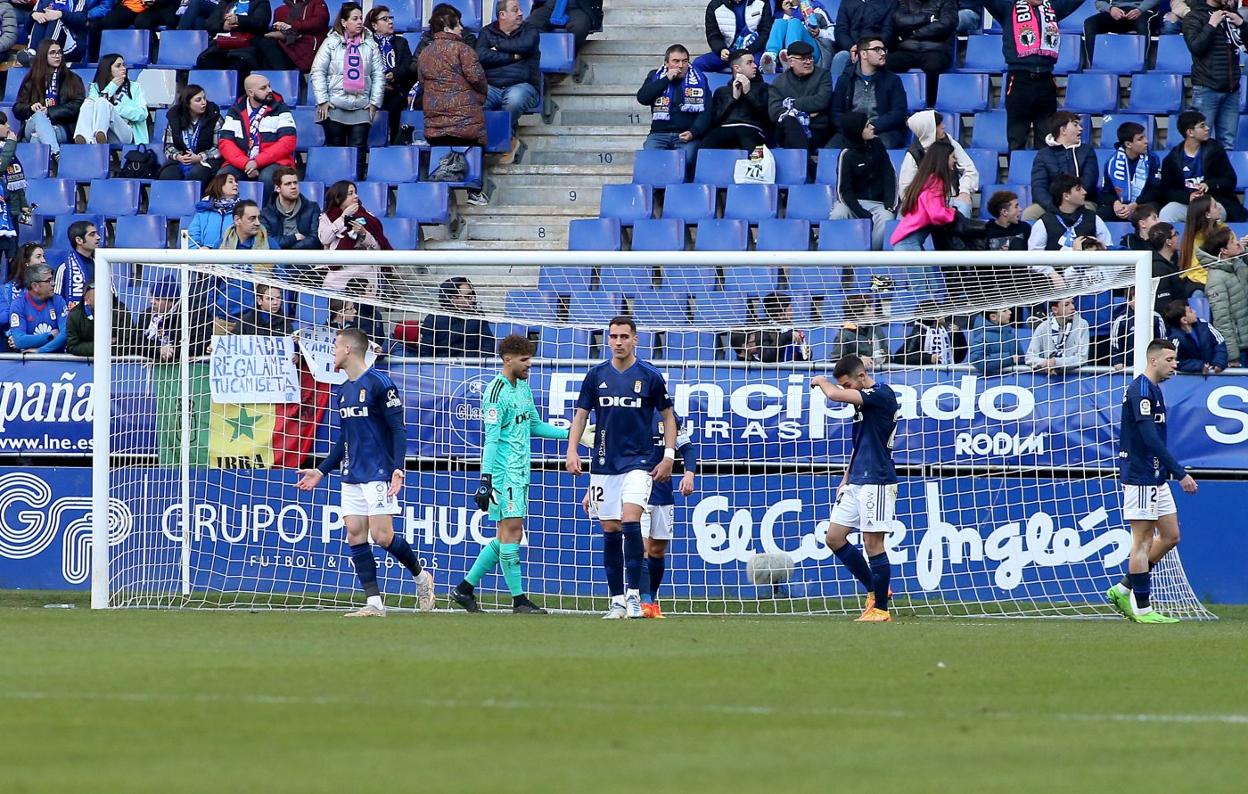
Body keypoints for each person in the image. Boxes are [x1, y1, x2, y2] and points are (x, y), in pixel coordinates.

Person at [296, 327, 435, 617]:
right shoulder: (343, 390)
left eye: (335, 346)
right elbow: (344, 439)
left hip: (379, 471)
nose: (332, 352)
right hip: (351, 474)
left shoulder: (380, 384)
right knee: (355, 534)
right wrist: (321, 471)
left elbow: (398, 429)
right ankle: (374, 603)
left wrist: (398, 468)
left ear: (348, 349)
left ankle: (422, 577)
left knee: (383, 536)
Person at [451, 334, 570, 615]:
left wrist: (573, 436)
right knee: (512, 534)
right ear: (508, 360)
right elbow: (491, 440)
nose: (530, 365)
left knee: (505, 535)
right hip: (503, 476)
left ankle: (464, 589)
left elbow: (535, 426)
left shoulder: (523, 389)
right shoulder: (495, 392)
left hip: (521, 473)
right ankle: (519, 601)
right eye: (525, 360)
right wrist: (485, 479)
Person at [566, 316, 676, 620]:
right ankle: (616, 599)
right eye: (613, 336)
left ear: (635, 339)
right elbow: (580, 416)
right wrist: (572, 450)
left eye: (624, 336)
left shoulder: (650, 376)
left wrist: (668, 456)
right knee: (610, 529)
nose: (618, 342)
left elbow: (668, 417)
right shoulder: (596, 375)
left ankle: (633, 595)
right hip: (603, 465)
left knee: (631, 521)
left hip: (640, 464)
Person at [1106, 339, 1198, 623]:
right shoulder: (1140, 391)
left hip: (1156, 475)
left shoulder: (1154, 390)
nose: (1175, 365)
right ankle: (1143, 609)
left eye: (1175, 360)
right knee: (1143, 540)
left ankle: (1123, 587)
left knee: (1170, 536)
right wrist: (1180, 473)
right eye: (1170, 359)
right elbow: (1149, 439)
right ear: (1153, 360)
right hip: (1141, 476)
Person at [810, 354, 899, 622]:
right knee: (834, 537)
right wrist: (846, 476)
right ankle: (875, 590)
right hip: (857, 479)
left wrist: (821, 381)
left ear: (860, 378)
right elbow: (861, 442)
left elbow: (835, 396)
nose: (845, 389)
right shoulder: (864, 401)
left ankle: (881, 610)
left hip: (878, 480)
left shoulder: (882, 394)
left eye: (847, 384)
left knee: (873, 544)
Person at [983, 0, 1085, 150]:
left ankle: (1042, 173)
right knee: (1017, 137)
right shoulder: (1008, 8)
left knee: (1046, 138)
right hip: (1019, 79)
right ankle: (1015, 172)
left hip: (1046, 80)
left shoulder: (1052, 8)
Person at [418, 2, 488, 205]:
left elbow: (422, 81)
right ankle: (474, 192)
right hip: (465, 124)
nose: (462, 28)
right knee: (472, 144)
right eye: (458, 24)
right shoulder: (463, 50)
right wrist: (480, 97)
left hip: (435, 128)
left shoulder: (425, 53)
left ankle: (437, 197)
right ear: (447, 28)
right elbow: (478, 78)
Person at [311, 3, 384, 180]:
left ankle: (355, 188)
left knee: (358, 151)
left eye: (361, 18)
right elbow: (317, 71)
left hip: (361, 107)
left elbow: (378, 75)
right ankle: (336, 191)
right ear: (344, 22)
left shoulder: (371, 44)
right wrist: (323, 100)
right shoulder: (331, 43)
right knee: (336, 151)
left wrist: (374, 103)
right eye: (355, 18)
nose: (360, 22)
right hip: (334, 107)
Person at [636, 415, 696, 618]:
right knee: (640, 549)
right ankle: (643, 600)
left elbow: (687, 448)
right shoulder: (633, 410)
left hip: (663, 492)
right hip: (636, 491)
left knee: (658, 550)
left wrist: (689, 474)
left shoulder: (671, 417)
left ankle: (651, 599)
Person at [477, 0, 541, 164]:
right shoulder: (486, 32)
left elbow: (525, 46)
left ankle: (499, 142)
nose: (521, 13)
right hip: (491, 87)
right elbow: (481, 56)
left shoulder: (530, 30)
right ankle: (510, 140)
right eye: (515, 10)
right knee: (472, 104)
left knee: (513, 100)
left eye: (520, 9)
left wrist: (496, 46)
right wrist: (512, 57)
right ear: (502, 15)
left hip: (522, 86)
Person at [1159, 110, 1247, 224]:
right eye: (1202, 126)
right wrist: (1188, 197)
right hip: (1188, 204)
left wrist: (1209, 185)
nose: (1207, 128)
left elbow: (1230, 180)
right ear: (1190, 132)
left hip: (1214, 202)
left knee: (1213, 215)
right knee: (1167, 213)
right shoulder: (1172, 159)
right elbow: (1168, 190)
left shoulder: (1215, 150)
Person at [1183, 0, 1246, 151]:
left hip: (1232, 90)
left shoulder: (1231, 15)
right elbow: (1196, 47)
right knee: (1200, 143)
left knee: (1227, 144)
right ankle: (1201, 175)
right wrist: (1211, 25)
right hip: (1206, 89)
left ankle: (1223, 175)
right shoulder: (1194, 16)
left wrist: (1243, 25)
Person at [829, 112, 896, 251]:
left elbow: (889, 175)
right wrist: (862, 213)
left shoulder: (878, 144)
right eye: (867, 126)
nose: (872, 127)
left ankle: (870, 258)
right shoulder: (846, 154)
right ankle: (840, 258)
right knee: (838, 214)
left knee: (887, 218)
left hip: (878, 204)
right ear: (857, 131)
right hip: (855, 203)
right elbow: (843, 191)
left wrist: (890, 204)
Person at [828, 36, 908, 149]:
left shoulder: (893, 80)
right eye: (877, 50)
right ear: (863, 54)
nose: (883, 53)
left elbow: (898, 113)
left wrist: (871, 128)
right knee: (831, 149)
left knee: (880, 147)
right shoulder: (845, 79)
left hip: (882, 130)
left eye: (884, 49)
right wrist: (855, 130)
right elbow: (836, 113)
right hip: (852, 131)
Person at [218, 74, 299, 187]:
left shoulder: (281, 108)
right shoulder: (236, 110)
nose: (269, 90)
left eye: (269, 86)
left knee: (267, 177)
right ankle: (227, 205)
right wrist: (246, 163)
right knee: (223, 177)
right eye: (263, 88)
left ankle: (266, 205)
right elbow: (225, 143)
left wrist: (257, 162)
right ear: (251, 93)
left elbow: (287, 142)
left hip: (275, 162)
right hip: (243, 163)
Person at [637, 44, 708, 166]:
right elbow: (643, 98)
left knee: (685, 160)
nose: (681, 66)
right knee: (650, 159)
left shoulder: (699, 79)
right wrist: (666, 79)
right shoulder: (655, 76)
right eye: (676, 61)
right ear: (666, 63)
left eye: (684, 61)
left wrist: (694, 132)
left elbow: (706, 110)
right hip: (659, 134)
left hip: (686, 134)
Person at [896, 110, 976, 217]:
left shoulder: (950, 142)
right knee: (903, 214)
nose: (943, 126)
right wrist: (927, 203)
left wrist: (964, 191)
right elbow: (905, 191)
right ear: (928, 130)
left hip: (951, 198)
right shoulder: (913, 154)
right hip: (924, 203)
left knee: (963, 206)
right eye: (938, 125)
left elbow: (969, 169)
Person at [14, 39, 85, 154]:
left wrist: (50, 111)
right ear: (43, 55)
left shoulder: (72, 79)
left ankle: (41, 168)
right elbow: (17, 109)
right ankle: (56, 154)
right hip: (32, 124)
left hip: (61, 127)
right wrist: (30, 107)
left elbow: (77, 106)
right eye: (52, 53)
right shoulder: (31, 79)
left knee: (36, 138)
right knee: (39, 116)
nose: (57, 56)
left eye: (59, 52)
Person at [690, 50, 770, 149]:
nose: (755, 66)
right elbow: (714, 120)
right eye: (749, 63)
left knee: (748, 140)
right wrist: (732, 99)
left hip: (752, 129)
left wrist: (749, 93)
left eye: (753, 62)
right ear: (737, 68)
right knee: (707, 144)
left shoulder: (763, 88)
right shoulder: (721, 91)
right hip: (724, 128)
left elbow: (767, 119)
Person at [1027, 111, 1098, 221]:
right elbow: (1038, 187)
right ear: (1063, 130)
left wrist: (1071, 201)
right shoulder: (1043, 155)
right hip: (1052, 203)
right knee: (1029, 214)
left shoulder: (1087, 151)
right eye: (1075, 125)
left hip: (1081, 201)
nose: (1080, 129)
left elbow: (1089, 181)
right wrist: (1054, 206)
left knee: (1088, 211)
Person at [213, 200, 272, 330]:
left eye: (258, 218)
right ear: (237, 220)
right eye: (252, 218)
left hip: (255, 322)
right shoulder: (221, 245)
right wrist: (213, 311)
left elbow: (280, 284)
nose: (257, 223)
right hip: (222, 319)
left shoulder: (269, 246)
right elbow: (212, 282)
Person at [891, 138, 958, 251]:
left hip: (908, 244)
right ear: (943, 159)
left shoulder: (927, 179)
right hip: (909, 246)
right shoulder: (935, 182)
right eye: (953, 157)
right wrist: (952, 212)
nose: (955, 160)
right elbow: (936, 214)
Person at [766, 40, 833, 150]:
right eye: (803, 59)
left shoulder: (823, 75)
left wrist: (789, 103)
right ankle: (806, 163)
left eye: (810, 57)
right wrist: (805, 112)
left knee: (791, 130)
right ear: (791, 62)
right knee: (789, 122)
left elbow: (822, 101)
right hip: (786, 130)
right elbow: (774, 112)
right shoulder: (779, 82)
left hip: (816, 130)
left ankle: (802, 163)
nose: (808, 62)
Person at [888, 0, 957, 107]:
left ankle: (930, 106)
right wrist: (928, 19)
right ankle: (890, 104)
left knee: (933, 66)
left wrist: (915, 32)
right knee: (886, 63)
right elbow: (900, 20)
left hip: (935, 49)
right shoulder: (906, 2)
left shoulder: (946, 2)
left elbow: (945, 25)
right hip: (908, 49)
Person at [1197, 225, 1248, 366]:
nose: (1238, 242)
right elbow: (1222, 320)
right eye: (1233, 241)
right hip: (1240, 350)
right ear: (1224, 250)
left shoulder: (1238, 264)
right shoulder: (1216, 280)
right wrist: (1232, 356)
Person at [366, 5, 417, 144]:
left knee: (396, 102)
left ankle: (395, 145)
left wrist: (393, 74)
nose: (390, 22)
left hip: (396, 90)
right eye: (385, 19)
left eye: (390, 18)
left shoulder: (401, 42)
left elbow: (407, 65)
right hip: (373, 90)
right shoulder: (367, 44)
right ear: (374, 25)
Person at [72, 53, 148, 145]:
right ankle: (84, 137)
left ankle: (98, 136)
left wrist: (113, 110)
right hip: (105, 135)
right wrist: (111, 88)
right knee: (88, 103)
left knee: (102, 102)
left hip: (126, 134)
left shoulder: (135, 87)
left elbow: (142, 114)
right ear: (107, 69)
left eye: (123, 65)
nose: (123, 68)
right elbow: (93, 109)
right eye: (118, 66)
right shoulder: (95, 87)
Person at [1028, 174, 1112, 251]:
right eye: (1079, 189)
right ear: (1066, 196)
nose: (1084, 192)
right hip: (1054, 267)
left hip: (1090, 267)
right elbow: (1035, 259)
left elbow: (1108, 248)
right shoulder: (1044, 223)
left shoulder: (1093, 218)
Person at [159, 84, 224, 185]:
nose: (204, 103)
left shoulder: (214, 117)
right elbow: (168, 146)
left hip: (206, 161)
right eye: (198, 100)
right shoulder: (174, 118)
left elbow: (219, 147)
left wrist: (199, 157)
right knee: (168, 175)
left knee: (196, 175)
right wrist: (178, 156)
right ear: (187, 103)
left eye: (204, 98)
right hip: (181, 160)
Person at [1099, 121, 1163, 224]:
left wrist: (1135, 204)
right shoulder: (1112, 162)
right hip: (1121, 206)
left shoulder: (1152, 159)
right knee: (1101, 214)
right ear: (1128, 144)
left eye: (1145, 137)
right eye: (1140, 139)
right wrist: (1115, 203)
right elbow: (1105, 193)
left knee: (1150, 211)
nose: (1146, 141)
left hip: (1143, 204)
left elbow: (1156, 190)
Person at [417, 276, 495, 357]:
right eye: (468, 296)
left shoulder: (477, 317)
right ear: (452, 298)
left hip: (472, 366)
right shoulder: (432, 319)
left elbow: (488, 344)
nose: (472, 300)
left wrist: (477, 363)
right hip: (440, 367)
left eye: (472, 296)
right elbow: (426, 351)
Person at [693, 0, 774, 73]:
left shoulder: (761, 2)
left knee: (753, 67)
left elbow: (765, 32)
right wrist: (721, 49)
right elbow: (713, 35)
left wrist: (750, 50)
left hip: (753, 51)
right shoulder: (715, 5)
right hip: (728, 53)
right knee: (698, 64)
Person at [732, 291, 812, 362]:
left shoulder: (794, 330)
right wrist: (785, 337)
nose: (793, 313)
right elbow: (766, 357)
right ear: (780, 315)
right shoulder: (765, 330)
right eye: (790, 310)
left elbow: (806, 358)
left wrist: (804, 348)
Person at [195, 0, 275, 70]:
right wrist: (223, 25)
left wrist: (238, 20)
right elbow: (210, 23)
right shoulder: (226, 2)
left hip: (246, 43)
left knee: (238, 62)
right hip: (222, 43)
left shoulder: (260, 2)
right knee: (204, 60)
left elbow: (260, 23)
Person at [6, 263, 66, 352]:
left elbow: (65, 334)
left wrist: (40, 351)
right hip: (28, 363)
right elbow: (19, 341)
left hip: (58, 361)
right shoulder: (18, 304)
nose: (53, 284)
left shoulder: (58, 300)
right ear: (35, 286)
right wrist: (50, 335)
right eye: (48, 280)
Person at [254, 0, 329, 72]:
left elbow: (318, 23)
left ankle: (282, 77)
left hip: (307, 47)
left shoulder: (317, 4)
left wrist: (291, 26)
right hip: (286, 48)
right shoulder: (280, 10)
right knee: (260, 46)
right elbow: (277, 31)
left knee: (266, 46)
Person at [831, 0, 898, 79]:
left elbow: (888, 31)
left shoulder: (889, 2)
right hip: (851, 49)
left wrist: (867, 48)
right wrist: (851, 47)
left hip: (875, 48)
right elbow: (840, 30)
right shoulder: (847, 2)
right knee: (841, 57)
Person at [762, 0, 834, 72]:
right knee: (779, 22)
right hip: (782, 56)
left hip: (814, 53)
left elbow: (834, 34)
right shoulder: (779, 14)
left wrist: (819, 33)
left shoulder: (816, 8)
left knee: (795, 22)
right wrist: (787, 15)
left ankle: (791, 56)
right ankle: (771, 57)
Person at [24, 0, 107, 63]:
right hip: (47, 40)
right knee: (39, 19)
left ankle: (45, 54)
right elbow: (28, 27)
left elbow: (81, 19)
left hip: (72, 42)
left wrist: (61, 14)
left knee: (57, 20)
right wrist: (33, 15)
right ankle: (32, 52)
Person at [1024, 296, 1090, 374]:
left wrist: (1056, 362)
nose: (1072, 307)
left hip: (1076, 378)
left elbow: (1082, 358)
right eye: (1066, 305)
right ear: (1055, 309)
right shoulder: (1043, 327)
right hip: (1050, 379)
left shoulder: (1082, 324)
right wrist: (1046, 363)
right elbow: (1029, 358)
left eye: (1072, 303)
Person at [261, 167, 321, 251]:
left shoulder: (312, 208)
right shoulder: (266, 214)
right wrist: (294, 238)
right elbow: (267, 242)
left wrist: (290, 252)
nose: (293, 187)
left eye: (295, 183)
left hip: (305, 259)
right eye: (288, 184)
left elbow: (315, 239)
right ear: (278, 188)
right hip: (277, 260)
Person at [1108, 286, 1167, 370]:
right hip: (1128, 366)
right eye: (1138, 297)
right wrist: (1117, 361)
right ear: (1129, 301)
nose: (1142, 300)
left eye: (1144, 297)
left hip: (1152, 364)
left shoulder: (1156, 318)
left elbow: (1163, 341)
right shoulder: (1121, 320)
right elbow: (1115, 343)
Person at [1164, 298, 1228, 373]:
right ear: (1184, 320)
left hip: (1213, 377)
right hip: (1192, 381)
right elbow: (1175, 361)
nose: (1195, 311)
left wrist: (1219, 362)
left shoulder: (1204, 324)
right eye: (1191, 311)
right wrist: (1199, 366)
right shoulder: (1174, 339)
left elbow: (1219, 342)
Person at [1176, 193, 1227, 289]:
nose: (1219, 208)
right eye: (1215, 206)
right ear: (1207, 214)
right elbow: (1197, 272)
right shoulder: (1196, 239)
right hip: (1199, 282)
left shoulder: (1224, 228)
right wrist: (1217, 281)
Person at [895, 301, 965, 365]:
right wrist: (928, 358)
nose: (944, 315)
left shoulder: (947, 330)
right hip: (925, 375)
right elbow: (900, 357)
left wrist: (958, 336)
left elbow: (958, 358)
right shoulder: (919, 332)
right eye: (940, 312)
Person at [1085, 0, 1157, 61]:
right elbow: (1099, 2)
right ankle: (1094, 65)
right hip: (1118, 11)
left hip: (1143, 11)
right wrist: (1111, 9)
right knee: (1090, 23)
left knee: (1143, 24)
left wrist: (1140, 9)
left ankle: (1142, 64)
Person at [831, 293, 889, 364]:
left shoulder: (876, 329)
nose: (873, 311)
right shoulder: (844, 335)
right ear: (858, 313)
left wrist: (884, 356)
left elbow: (888, 352)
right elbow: (835, 360)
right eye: (869, 308)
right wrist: (858, 359)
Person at [187, 173, 239, 250]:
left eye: (236, 182)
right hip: (204, 256)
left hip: (232, 256)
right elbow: (193, 234)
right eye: (231, 182)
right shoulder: (204, 209)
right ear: (219, 185)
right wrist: (197, 250)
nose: (236, 184)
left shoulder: (242, 209)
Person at [526, 0, 603, 52]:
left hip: (579, 7)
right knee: (529, 25)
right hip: (550, 4)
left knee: (579, 27)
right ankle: (540, 56)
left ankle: (569, 57)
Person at [0, 244, 43, 334]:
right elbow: (3, 318)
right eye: (38, 256)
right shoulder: (5, 289)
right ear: (26, 262)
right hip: (9, 337)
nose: (43, 260)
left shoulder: (48, 286)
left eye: (43, 256)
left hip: (38, 336)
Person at [1147, 221, 1189, 313]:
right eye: (1176, 234)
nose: (1178, 237)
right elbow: (1163, 306)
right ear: (1168, 242)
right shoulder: (1159, 269)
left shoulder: (1168, 264)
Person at [55, 219, 96, 310]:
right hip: (74, 321)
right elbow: (56, 301)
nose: (98, 237)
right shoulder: (65, 268)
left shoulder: (101, 265)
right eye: (92, 234)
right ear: (79, 240)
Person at [968, 307, 1022, 375]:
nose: (1010, 312)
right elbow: (977, 361)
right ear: (993, 317)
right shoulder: (982, 337)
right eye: (1004, 311)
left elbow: (1020, 358)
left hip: (1012, 381)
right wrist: (1009, 358)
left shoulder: (1010, 333)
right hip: (991, 383)